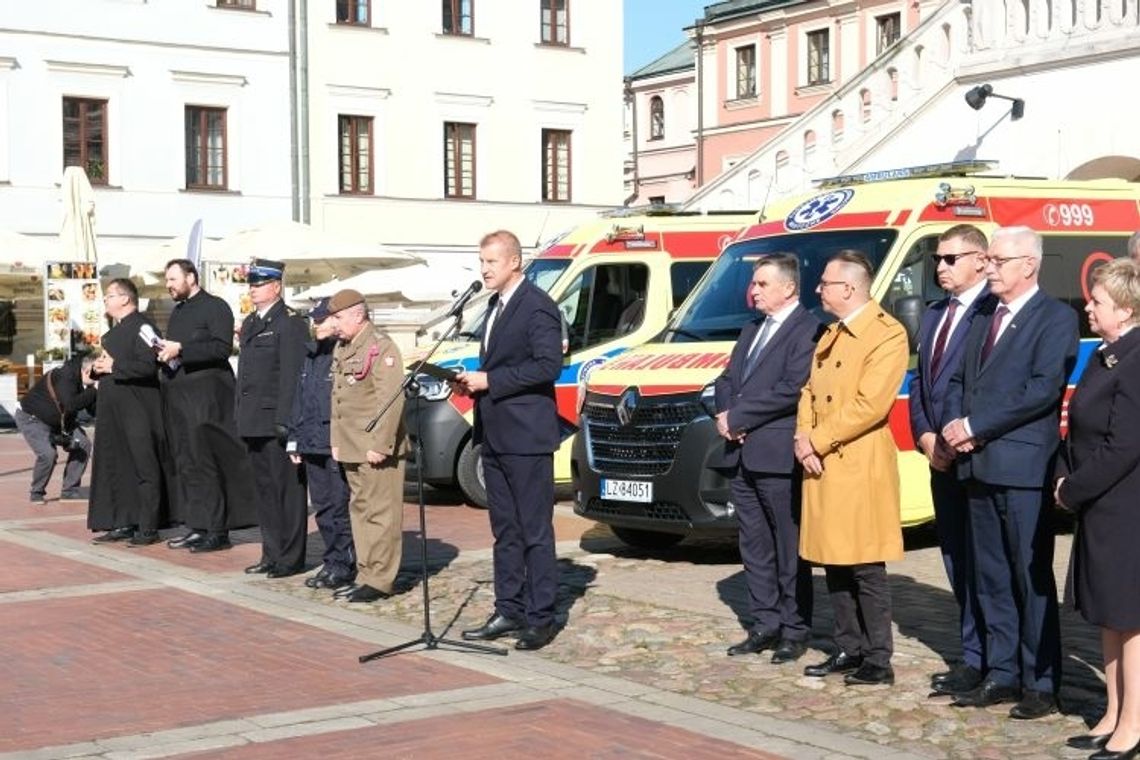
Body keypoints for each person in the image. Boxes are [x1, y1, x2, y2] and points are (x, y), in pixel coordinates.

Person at [942, 226, 1078, 719]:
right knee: (991, 576)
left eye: (998, 260)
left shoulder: (1055, 318)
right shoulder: (983, 315)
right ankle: (1002, 673)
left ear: (1029, 264)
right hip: (977, 466)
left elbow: (1041, 390)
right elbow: (958, 377)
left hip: (1021, 467)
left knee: (1029, 575)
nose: (990, 268)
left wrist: (977, 425)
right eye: (989, 260)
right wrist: (957, 424)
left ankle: (1041, 680)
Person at [795, 251, 908, 686]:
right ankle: (848, 645)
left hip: (857, 462)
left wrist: (818, 440)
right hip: (822, 461)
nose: (819, 289)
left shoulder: (885, 333)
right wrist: (802, 437)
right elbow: (809, 390)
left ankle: (878, 657)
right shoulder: (831, 333)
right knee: (833, 561)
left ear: (849, 288)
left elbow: (870, 404)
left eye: (825, 283)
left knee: (864, 564)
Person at [456, 230, 564, 651]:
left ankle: (540, 616)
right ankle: (509, 608)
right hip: (496, 432)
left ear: (515, 262)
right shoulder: (495, 306)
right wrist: (476, 385)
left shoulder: (537, 306)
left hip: (526, 436)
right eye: (481, 262)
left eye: (492, 262)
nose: (484, 269)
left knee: (534, 529)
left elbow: (547, 366)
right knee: (505, 529)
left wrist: (492, 380)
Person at [713, 253, 819, 664]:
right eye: (753, 284)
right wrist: (724, 416)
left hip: (776, 454)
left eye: (761, 284)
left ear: (788, 288)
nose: (752, 291)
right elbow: (726, 380)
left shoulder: (807, 330)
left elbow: (793, 388)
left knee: (788, 546)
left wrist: (739, 416)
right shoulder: (752, 328)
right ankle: (764, 623)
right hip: (740, 452)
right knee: (754, 545)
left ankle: (794, 628)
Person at [1054, 258, 1140, 756]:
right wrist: (1064, 473)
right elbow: (1079, 424)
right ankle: (1112, 710)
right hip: (1099, 506)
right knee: (1108, 615)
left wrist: (1072, 489)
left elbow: (1124, 445)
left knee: (1131, 618)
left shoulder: (1137, 358)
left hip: (1126, 508)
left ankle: (1133, 722)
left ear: (1125, 310)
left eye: (1098, 302)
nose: (1087, 306)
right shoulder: (1105, 355)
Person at [907, 224, 993, 697]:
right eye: (937, 259)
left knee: (986, 563)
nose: (940, 267)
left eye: (950, 258)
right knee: (956, 558)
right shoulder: (936, 312)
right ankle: (972, 654)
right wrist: (923, 434)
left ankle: (997, 659)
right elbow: (920, 382)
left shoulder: (991, 310)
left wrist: (958, 435)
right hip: (937, 454)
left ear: (980, 260)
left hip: (975, 454)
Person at [159, 258, 256, 552]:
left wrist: (182, 349)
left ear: (191, 277)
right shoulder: (178, 311)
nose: (169, 285)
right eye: (167, 280)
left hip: (208, 398)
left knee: (207, 461)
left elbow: (220, 347)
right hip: (180, 396)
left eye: (173, 279)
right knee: (187, 463)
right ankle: (197, 524)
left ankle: (217, 529)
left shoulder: (216, 307)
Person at [327, 288, 407, 603]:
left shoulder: (381, 347)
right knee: (360, 511)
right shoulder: (344, 348)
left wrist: (381, 444)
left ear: (358, 315)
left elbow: (390, 399)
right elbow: (338, 400)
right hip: (351, 445)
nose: (334, 324)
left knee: (381, 514)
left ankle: (380, 578)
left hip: (375, 448)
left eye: (338, 317)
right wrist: (336, 441)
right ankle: (366, 572)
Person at [235, 258, 309, 573]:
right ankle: (272, 553)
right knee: (264, 492)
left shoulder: (289, 322)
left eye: (259, 284)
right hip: (253, 420)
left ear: (276, 287)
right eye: (251, 284)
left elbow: (292, 376)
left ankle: (290, 557)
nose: (253, 289)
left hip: (276, 421)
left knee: (287, 492)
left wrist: (288, 422)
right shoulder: (251, 323)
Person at [87, 279, 166, 546]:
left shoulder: (143, 327)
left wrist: (115, 366)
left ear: (125, 299)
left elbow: (151, 365)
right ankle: (122, 520)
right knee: (118, 465)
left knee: (144, 465)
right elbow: (112, 366)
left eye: (109, 296)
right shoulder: (114, 332)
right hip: (113, 410)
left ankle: (148, 526)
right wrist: (98, 368)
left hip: (138, 409)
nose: (105, 301)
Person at [288, 297, 356, 591]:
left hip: (336, 442)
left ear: (335, 320)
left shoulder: (344, 352)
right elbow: (300, 399)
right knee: (324, 507)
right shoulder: (311, 354)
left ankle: (345, 565)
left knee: (340, 507)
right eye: (313, 320)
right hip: (312, 441)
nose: (315, 324)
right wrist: (294, 438)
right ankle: (332, 562)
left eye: (321, 319)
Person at [15, 353, 96, 504]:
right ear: (87, 370)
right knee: (48, 454)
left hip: (62, 420)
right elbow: (71, 403)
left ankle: (69, 490)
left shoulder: (87, 381)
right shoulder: (66, 375)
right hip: (32, 418)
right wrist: (94, 391)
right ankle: (37, 492)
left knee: (83, 444)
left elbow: (92, 410)